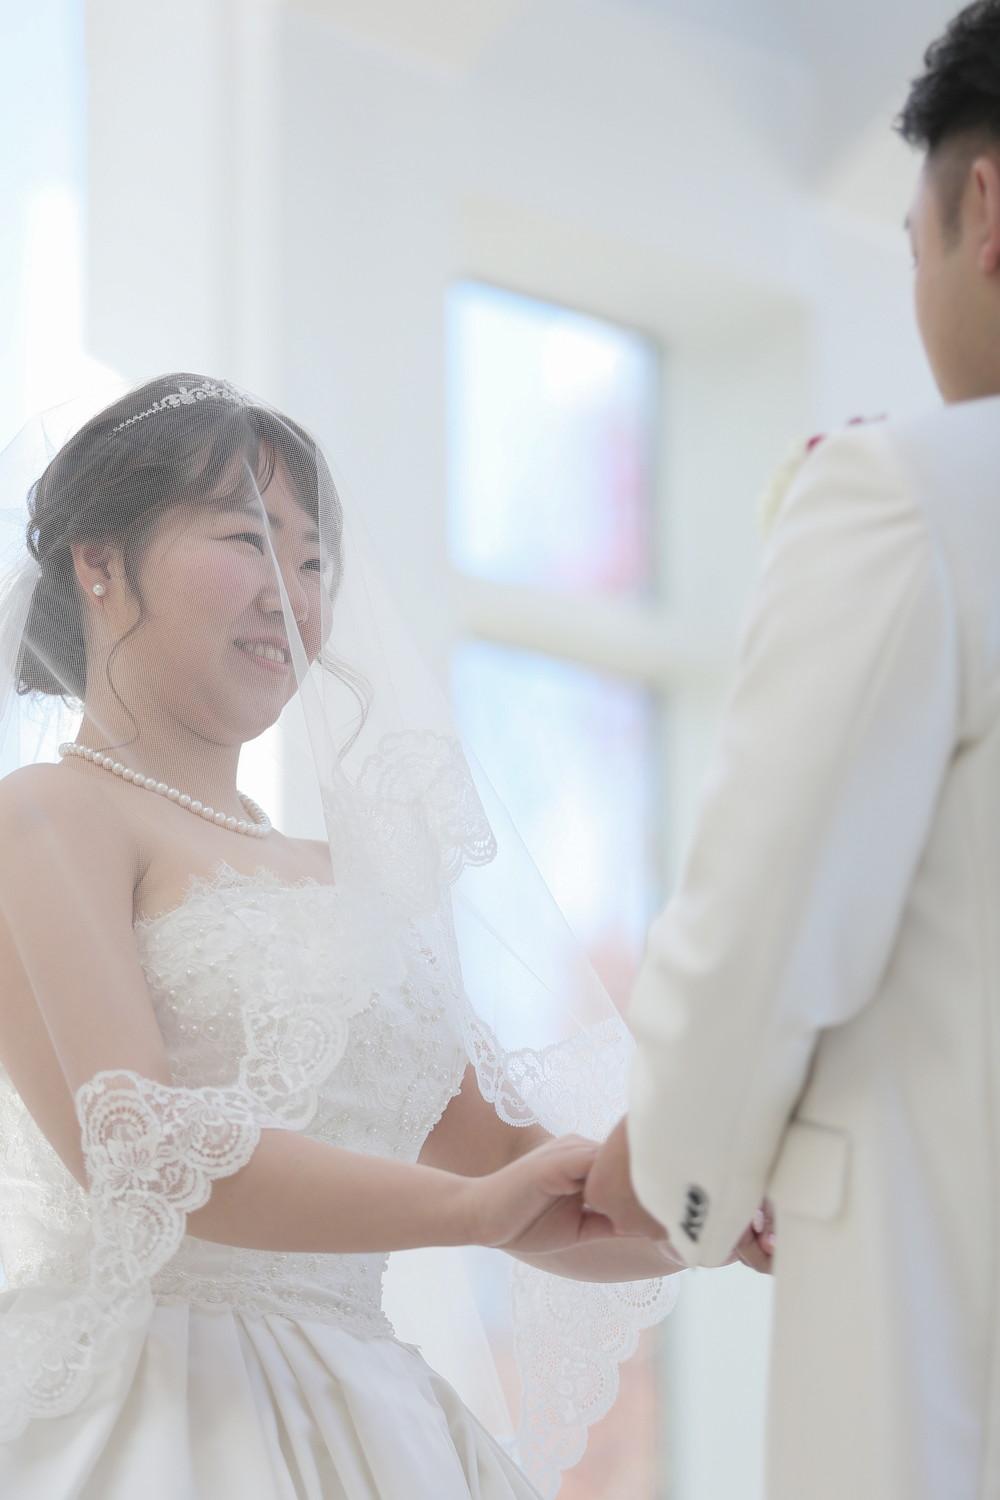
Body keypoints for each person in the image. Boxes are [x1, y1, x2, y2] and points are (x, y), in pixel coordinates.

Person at [0, 373, 772, 1498]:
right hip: (158, 1411)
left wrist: (702, 1210)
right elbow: (140, 1149)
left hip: (375, 1419)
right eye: (248, 539)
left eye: (315, 561)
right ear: (99, 563)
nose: (291, 593)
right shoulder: (48, 814)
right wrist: (468, 1213)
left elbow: (511, 1165)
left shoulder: (339, 877)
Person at [585, 3, 1000, 1498]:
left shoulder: (914, 495)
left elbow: (772, 906)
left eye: (911, 245)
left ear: (983, 208)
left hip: (942, 1332)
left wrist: (678, 1169)